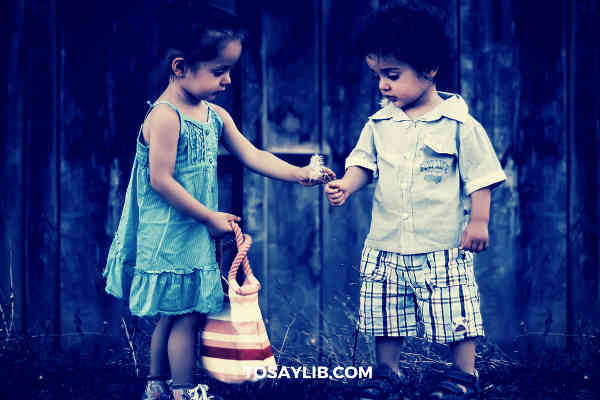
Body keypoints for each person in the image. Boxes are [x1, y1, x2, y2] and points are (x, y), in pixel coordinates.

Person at [103, 5, 334, 400]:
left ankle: (155, 387)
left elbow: (254, 155)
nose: (228, 80)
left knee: (173, 313)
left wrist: (299, 174)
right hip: (171, 232)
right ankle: (183, 389)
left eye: (229, 70)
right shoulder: (165, 117)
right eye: (218, 71)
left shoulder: (215, 116)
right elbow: (160, 180)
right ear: (179, 68)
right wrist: (209, 217)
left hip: (192, 229)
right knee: (188, 313)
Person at [325, 3, 506, 399]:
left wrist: (478, 222)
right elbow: (363, 164)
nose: (383, 86)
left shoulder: (459, 124)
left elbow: (483, 177)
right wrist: (347, 185)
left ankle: (464, 373)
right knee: (385, 313)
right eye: (377, 77)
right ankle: (388, 372)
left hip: (441, 245)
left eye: (392, 76)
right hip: (387, 241)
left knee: (455, 310)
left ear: (429, 70)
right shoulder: (380, 123)